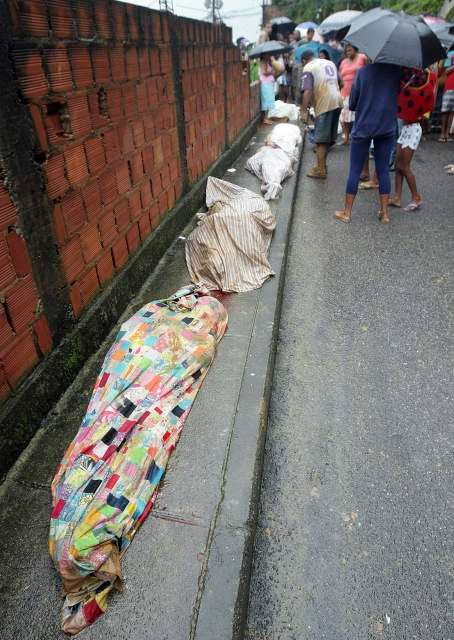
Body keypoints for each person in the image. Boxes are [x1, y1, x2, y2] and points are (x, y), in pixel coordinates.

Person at [334, 63, 401, 224]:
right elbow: (398, 95)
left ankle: (347, 212)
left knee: (355, 170)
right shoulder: (396, 72)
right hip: (386, 126)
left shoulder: (363, 72)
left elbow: (352, 104)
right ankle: (384, 213)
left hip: (364, 126)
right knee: (383, 170)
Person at [389, 68, 437, 211]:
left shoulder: (422, 80)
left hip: (414, 128)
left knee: (404, 166)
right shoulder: (407, 79)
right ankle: (397, 197)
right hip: (405, 128)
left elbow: (426, 103)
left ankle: (416, 196)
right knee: (398, 165)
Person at [300, 49, 343, 178]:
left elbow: (307, 90)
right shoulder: (329, 63)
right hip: (337, 100)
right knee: (328, 139)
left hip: (325, 103)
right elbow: (340, 82)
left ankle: (320, 170)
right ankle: (322, 166)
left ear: (304, 60)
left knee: (320, 141)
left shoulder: (308, 67)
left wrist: (303, 111)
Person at [338, 44, 367, 144]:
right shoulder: (344, 62)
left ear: (355, 49)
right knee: (345, 117)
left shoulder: (362, 57)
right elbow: (340, 75)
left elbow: (368, 71)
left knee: (358, 115)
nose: (348, 53)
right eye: (346, 51)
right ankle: (346, 138)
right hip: (345, 92)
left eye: (350, 50)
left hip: (359, 91)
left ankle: (357, 136)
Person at [259, 54, 283, 125]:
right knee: (266, 101)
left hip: (269, 82)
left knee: (269, 100)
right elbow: (263, 72)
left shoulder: (268, 62)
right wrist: (271, 72)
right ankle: (265, 119)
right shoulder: (263, 62)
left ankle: (266, 118)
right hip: (265, 83)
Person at [439, 48, 454, 142]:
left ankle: (447, 134)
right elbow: (445, 71)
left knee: (452, 112)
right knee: (445, 111)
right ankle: (442, 134)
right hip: (449, 86)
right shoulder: (450, 54)